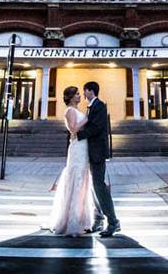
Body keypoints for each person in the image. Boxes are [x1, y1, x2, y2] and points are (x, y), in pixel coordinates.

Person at [47, 86, 95, 236]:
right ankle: (72, 221)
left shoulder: (76, 110)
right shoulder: (69, 111)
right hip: (77, 148)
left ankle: (82, 219)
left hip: (83, 147)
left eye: (80, 93)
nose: (80, 96)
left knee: (83, 180)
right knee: (77, 179)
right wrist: (87, 119)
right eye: (77, 94)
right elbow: (74, 129)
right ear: (71, 97)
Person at [76, 81, 121, 237]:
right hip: (91, 152)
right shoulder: (91, 106)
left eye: (84, 90)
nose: (83, 94)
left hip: (98, 153)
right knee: (94, 187)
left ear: (91, 91)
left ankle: (113, 222)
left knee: (99, 186)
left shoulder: (100, 106)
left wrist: (78, 135)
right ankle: (99, 219)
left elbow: (96, 127)